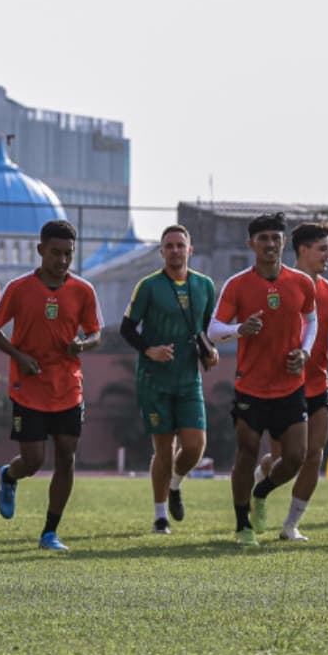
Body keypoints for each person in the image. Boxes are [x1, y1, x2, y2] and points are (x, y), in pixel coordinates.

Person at [0, 220, 103, 552]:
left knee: (66, 458)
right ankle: (10, 476)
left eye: (68, 254)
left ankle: (50, 533)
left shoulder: (83, 290)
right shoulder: (19, 288)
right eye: (55, 253)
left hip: (68, 386)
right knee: (34, 460)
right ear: (40, 250)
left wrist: (83, 344)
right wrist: (18, 356)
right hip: (29, 386)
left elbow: (96, 333)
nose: (62, 260)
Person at [207, 212, 317, 546]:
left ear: (284, 242)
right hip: (250, 387)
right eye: (263, 238)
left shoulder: (302, 283)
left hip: (290, 386)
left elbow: (312, 321)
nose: (270, 244)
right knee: (247, 452)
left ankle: (261, 491)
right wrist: (240, 329)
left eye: (275, 238)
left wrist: (305, 352)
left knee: (296, 457)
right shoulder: (237, 284)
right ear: (251, 244)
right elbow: (213, 331)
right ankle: (243, 525)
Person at [255, 222, 328, 541]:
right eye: (323, 249)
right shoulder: (276, 285)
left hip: (317, 385)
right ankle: (262, 476)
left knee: (314, 454)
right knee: (287, 460)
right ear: (303, 251)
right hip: (282, 387)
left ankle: (291, 525)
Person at [119, 224, 218, 535]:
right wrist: (150, 350)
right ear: (161, 252)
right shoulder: (148, 286)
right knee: (164, 448)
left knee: (194, 447)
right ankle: (160, 515)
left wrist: (210, 352)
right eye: (169, 246)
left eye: (180, 245)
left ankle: (175, 484)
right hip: (154, 379)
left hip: (188, 379)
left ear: (190, 250)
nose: (175, 250)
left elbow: (205, 332)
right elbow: (126, 328)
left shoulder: (204, 286)